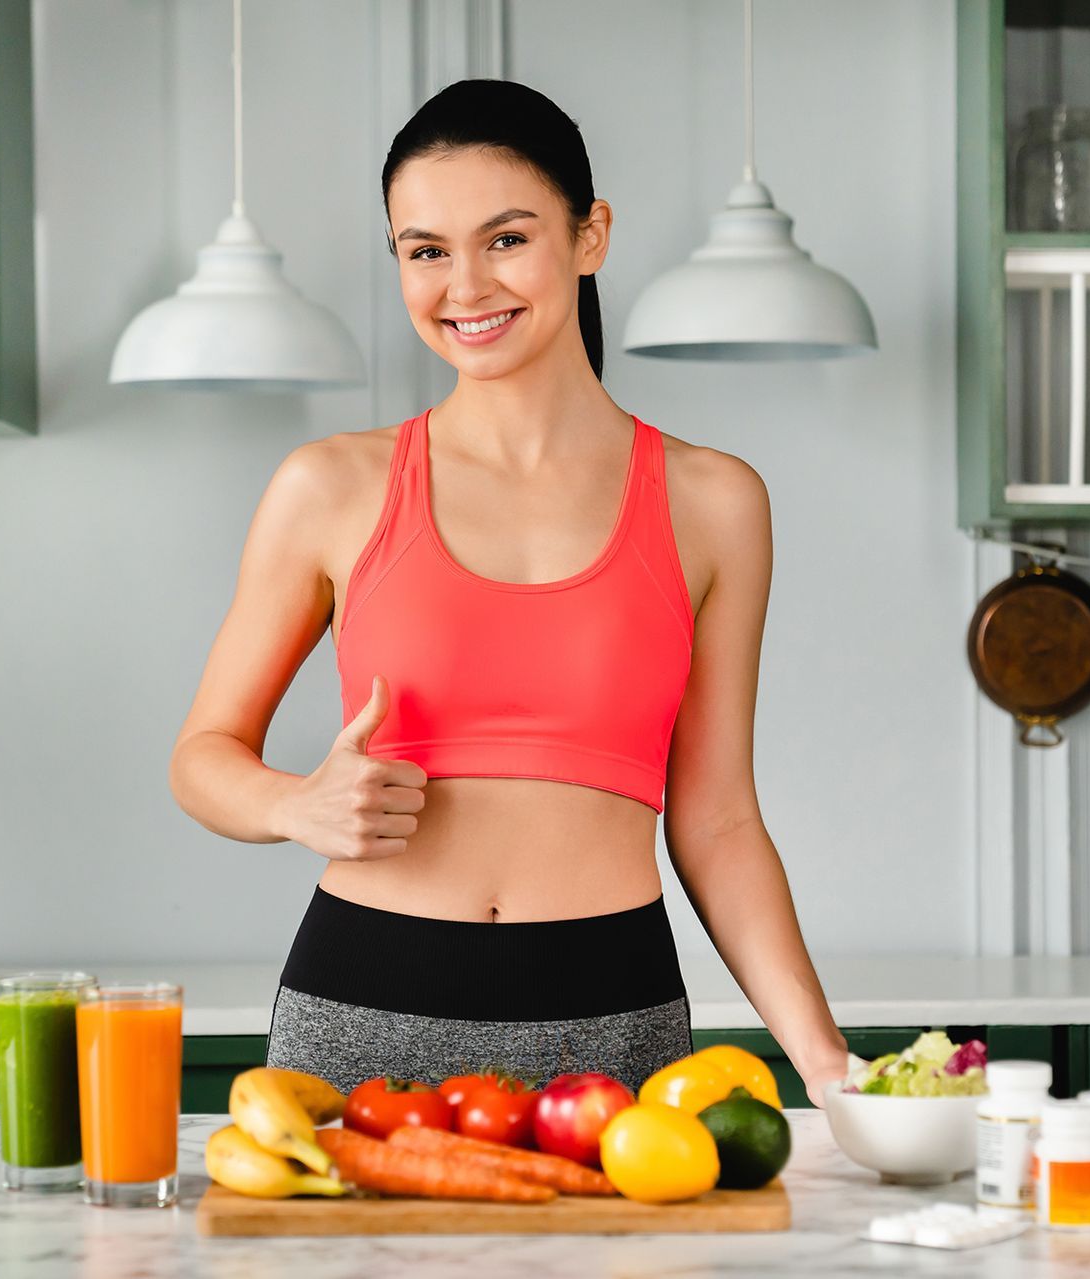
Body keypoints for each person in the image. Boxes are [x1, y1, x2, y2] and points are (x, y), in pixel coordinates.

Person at [169, 78, 862, 1107]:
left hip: (615, 1016)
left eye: (506, 238)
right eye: (426, 250)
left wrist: (830, 1066)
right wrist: (295, 803)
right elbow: (202, 756)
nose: (464, 286)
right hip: (361, 1012)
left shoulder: (716, 502)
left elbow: (716, 821)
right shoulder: (331, 487)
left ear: (591, 237)